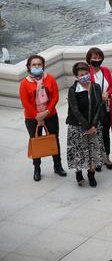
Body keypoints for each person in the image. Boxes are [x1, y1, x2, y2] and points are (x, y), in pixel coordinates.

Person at [19, 54, 67, 182]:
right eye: (34, 64)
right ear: (29, 66)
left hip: (50, 115)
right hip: (32, 117)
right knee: (36, 141)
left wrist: (47, 112)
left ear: (43, 66)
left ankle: (58, 166)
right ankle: (37, 169)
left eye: (39, 64)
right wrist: (37, 116)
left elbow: (55, 97)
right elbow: (25, 102)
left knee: (54, 139)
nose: (37, 66)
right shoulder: (25, 83)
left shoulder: (49, 79)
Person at [66, 62, 106, 187]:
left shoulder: (96, 87)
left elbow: (99, 106)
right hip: (78, 126)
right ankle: (79, 173)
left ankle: (91, 175)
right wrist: (87, 126)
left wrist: (93, 125)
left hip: (94, 126)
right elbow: (75, 110)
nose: (84, 76)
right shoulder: (73, 90)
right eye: (81, 75)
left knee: (93, 152)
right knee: (79, 152)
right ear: (76, 77)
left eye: (86, 73)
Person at [85, 47, 112, 170]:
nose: (97, 60)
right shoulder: (86, 73)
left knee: (105, 134)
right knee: (95, 135)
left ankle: (106, 157)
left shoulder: (105, 70)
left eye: (99, 57)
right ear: (89, 59)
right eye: (94, 58)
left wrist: (107, 93)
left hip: (106, 107)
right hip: (93, 110)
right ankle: (97, 159)